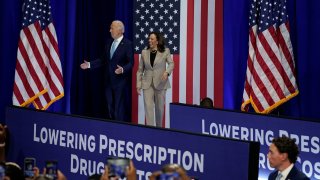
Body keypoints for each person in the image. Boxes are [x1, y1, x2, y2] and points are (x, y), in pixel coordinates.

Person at [80, 20, 134, 122]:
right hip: (108, 80)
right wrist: (90, 64)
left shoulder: (127, 44)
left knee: (118, 108)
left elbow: (131, 63)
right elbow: (103, 60)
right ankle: (111, 128)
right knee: (109, 106)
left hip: (120, 82)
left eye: (112, 28)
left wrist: (122, 69)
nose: (110, 30)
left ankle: (119, 129)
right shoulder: (109, 42)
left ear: (119, 30)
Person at [136, 32, 174, 127]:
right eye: (149, 38)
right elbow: (140, 70)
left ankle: (159, 129)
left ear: (157, 41)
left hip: (161, 83)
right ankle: (150, 130)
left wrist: (167, 72)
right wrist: (138, 85)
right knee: (148, 108)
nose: (149, 40)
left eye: (152, 39)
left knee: (159, 109)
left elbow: (171, 64)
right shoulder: (144, 52)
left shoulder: (165, 51)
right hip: (147, 83)